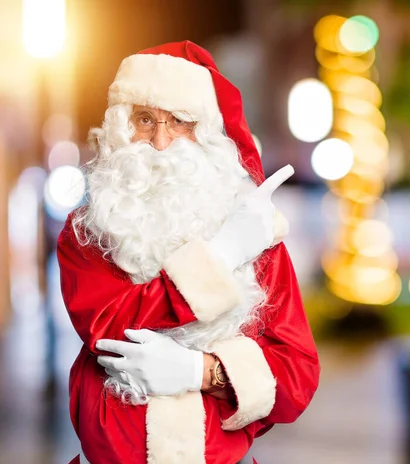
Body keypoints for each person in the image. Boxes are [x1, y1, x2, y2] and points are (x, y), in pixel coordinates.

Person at [57, 40, 320, 464]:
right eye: (144, 119)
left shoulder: (254, 232)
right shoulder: (88, 231)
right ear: (121, 127)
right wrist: (219, 256)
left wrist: (201, 372)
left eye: (180, 121)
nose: (160, 142)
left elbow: (297, 377)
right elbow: (109, 328)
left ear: (208, 133)